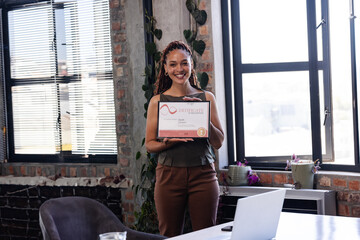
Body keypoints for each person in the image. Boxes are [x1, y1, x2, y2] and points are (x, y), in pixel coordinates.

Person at [145, 40, 224, 237]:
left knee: (206, 235)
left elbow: (218, 142)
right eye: (172, 64)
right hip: (169, 177)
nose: (179, 69)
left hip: (203, 175)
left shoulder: (207, 98)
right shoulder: (157, 102)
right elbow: (149, 145)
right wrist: (168, 143)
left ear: (191, 65)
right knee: (170, 235)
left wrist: (202, 116)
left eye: (184, 63)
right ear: (165, 68)